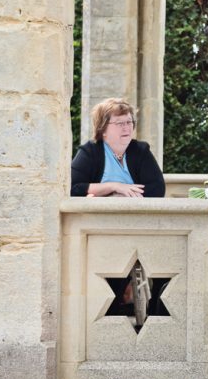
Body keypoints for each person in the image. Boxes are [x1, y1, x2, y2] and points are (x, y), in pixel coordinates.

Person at [71, 97, 166, 315]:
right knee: (112, 259)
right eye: (120, 123)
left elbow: (155, 189)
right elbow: (73, 188)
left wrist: (110, 193)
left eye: (129, 122)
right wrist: (114, 187)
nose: (127, 127)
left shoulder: (140, 151)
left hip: (138, 224)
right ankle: (113, 307)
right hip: (101, 227)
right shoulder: (90, 152)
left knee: (162, 260)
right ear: (103, 128)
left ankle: (153, 309)